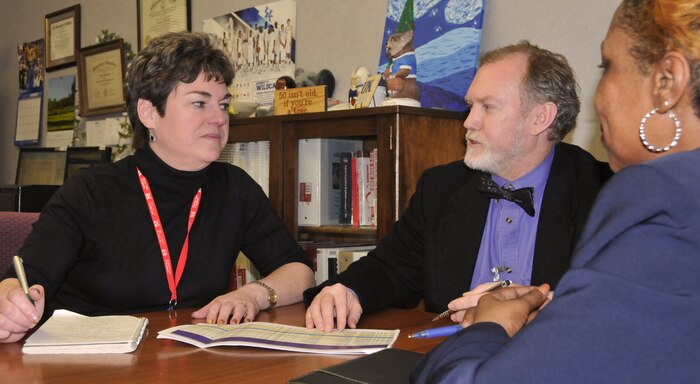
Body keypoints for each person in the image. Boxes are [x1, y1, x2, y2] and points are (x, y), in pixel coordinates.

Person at [411, 0, 700, 382]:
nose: (597, 99)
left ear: (667, 82)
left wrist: (489, 326)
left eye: (607, 67)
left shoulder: (653, 206)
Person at [0, 32, 314, 344]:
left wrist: (253, 294)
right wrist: (9, 303)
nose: (219, 118)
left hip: (188, 356)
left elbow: (299, 271)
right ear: (149, 112)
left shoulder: (234, 187)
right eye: (199, 103)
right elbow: (24, 280)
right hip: (92, 362)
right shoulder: (90, 190)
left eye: (223, 104)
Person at [305, 42, 613, 332]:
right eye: (470, 106)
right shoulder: (441, 187)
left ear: (541, 118)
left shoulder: (606, 194)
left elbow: (622, 298)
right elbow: (390, 269)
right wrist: (346, 290)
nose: (469, 122)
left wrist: (542, 304)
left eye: (488, 107)